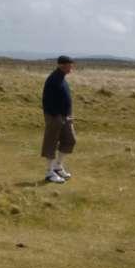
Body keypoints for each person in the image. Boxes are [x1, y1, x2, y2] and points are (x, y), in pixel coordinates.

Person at [41, 55, 76, 184]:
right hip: (54, 117)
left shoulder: (62, 78)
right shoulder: (53, 79)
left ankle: (58, 166)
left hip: (64, 116)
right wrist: (56, 116)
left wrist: (68, 115)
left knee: (70, 140)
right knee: (51, 142)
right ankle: (49, 173)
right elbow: (47, 101)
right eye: (70, 65)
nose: (72, 67)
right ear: (62, 65)